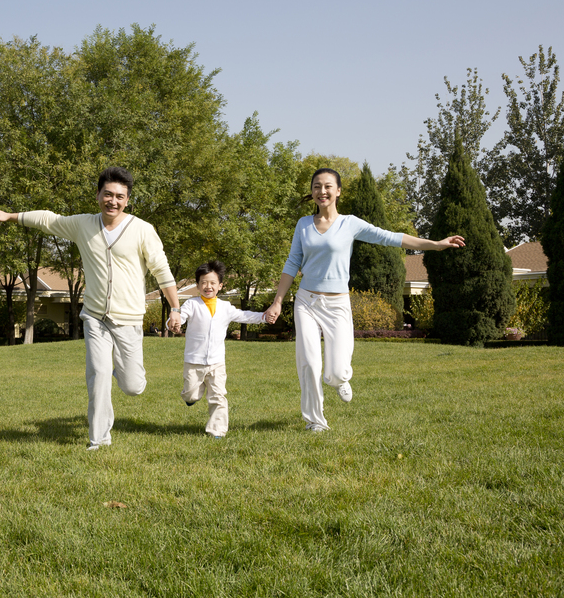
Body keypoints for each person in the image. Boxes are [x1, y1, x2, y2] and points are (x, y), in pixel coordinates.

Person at [0, 167, 182, 450]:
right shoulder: (83, 224)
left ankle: (116, 369)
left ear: (127, 200)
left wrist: (175, 309)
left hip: (128, 319)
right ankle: (98, 439)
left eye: (120, 196)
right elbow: (49, 220)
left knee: (133, 386)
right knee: (98, 376)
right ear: (98, 194)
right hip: (96, 317)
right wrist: (12, 216)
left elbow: (162, 271)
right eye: (108, 194)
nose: (113, 201)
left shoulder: (142, 230)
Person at [264, 168, 464, 432]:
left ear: (338, 191)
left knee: (334, 372)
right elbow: (292, 263)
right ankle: (315, 421)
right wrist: (278, 301)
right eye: (316, 187)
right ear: (311, 192)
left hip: (337, 304)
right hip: (307, 302)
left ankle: (340, 378)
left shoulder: (350, 224)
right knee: (309, 362)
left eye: (327, 186)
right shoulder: (303, 225)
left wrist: (436, 244)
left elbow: (391, 238)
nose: (321, 191)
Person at [177, 261, 266, 439]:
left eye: (212, 283)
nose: (207, 286)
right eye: (203, 282)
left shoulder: (225, 307)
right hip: (194, 361)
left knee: (218, 396)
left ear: (220, 286)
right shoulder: (191, 304)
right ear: (197, 285)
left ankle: (217, 430)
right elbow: (180, 316)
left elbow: (245, 316)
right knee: (191, 394)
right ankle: (192, 396)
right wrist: (174, 321)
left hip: (217, 362)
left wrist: (265, 316)